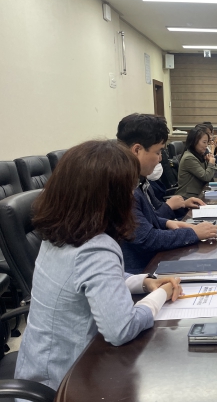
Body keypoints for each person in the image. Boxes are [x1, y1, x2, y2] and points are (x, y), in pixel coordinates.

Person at [14, 140, 183, 391]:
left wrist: (145, 282)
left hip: (37, 366)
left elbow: (88, 278)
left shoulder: (60, 233)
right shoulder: (96, 246)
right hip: (65, 382)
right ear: (111, 197)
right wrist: (162, 294)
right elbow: (122, 329)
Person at [117, 113, 217, 273]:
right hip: (143, 271)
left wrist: (167, 223)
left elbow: (147, 217)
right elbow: (147, 239)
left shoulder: (139, 181)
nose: (160, 159)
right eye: (158, 152)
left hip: (153, 261)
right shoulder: (124, 189)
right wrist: (193, 233)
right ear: (137, 150)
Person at [176, 126, 217, 198]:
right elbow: (206, 177)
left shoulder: (198, 155)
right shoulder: (189, 158)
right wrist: (211, 163)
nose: (206, 145)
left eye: (207, 142)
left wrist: (209, 162)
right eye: (204, 142)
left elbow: (215, 172)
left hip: (199, 194)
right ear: (194, 141)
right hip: (187, 198)